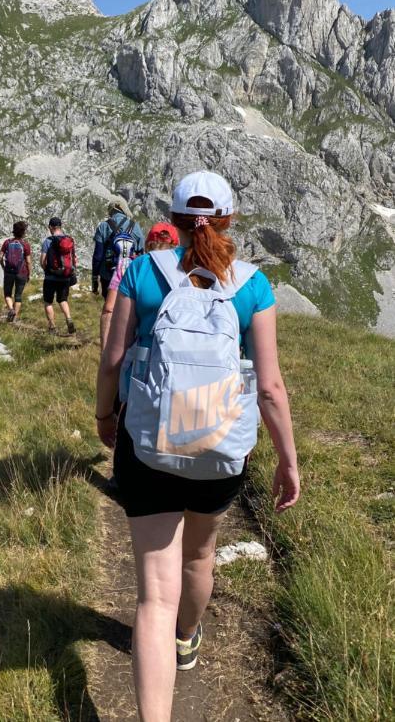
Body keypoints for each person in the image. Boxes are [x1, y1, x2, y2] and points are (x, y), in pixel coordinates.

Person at [95, 171, 300, 721]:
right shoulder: (254, 285)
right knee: (201, 554)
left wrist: (103, 416)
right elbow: (271, 387)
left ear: (176, 220)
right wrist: (287, 459)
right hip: (218, 451)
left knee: (151, 598)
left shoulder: (142, 271)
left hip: (149, 447)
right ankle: (188, 637)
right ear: (230, 218)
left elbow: (113, 361)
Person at [100, 222, 179, 351]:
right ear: (175, 245)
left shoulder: (131, 266)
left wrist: (106, 355)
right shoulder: (186, 270)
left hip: (140, 353)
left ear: (148, 244)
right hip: (174, 351)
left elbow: (109, 309)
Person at [92, 196, 144, 297]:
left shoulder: (103, 226)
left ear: (111, 211)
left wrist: (94, 278)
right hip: (128, 274)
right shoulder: (135, 226)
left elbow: (97, 255)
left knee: (109, 306)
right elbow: (140, 252)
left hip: (107, 274)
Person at [40, 216, 77, 335]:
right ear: (60, 227)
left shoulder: (48, 241)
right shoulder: (69, 240)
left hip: (50, 277)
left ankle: (52, 327)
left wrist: (47, 270)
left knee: (48, 302)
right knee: (63, 300)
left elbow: (42, 261)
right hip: (65, 276)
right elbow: (73, 258)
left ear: (51, 227)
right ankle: (69, 319)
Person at [0, 220, 32, 322]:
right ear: (23, 232)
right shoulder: (25, 244)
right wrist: (29, 274)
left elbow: (0, 257)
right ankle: (14, 318)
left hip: (9, 272)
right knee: (18, 295)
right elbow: (29, 262)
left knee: (7, 294)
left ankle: (11, 309)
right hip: (21, 273)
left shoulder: (7, 242)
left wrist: (4, 267)